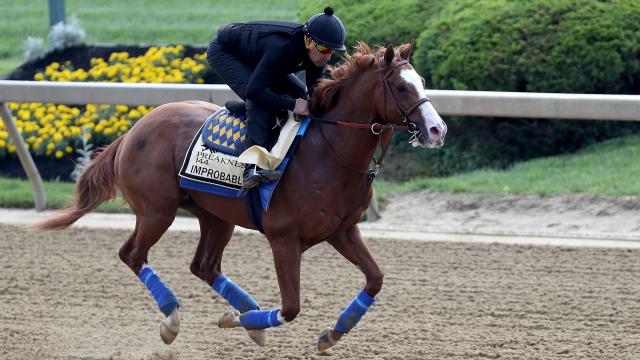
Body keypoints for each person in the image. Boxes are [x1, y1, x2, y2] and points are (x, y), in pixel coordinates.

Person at [207, 6, 346, 189]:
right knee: (260, 103)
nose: (327, 56)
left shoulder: (315, 53)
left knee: (300, 93)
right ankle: (251, 168)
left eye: (332, 51)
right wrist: (292, 104)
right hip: (226, 53)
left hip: (260, 58)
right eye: (323, 49)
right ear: (308, 41)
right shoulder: (281, 47)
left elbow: (312, 92)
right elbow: (255, 91)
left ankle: (245, 109)